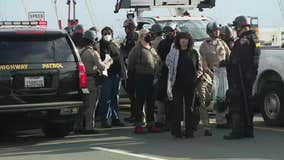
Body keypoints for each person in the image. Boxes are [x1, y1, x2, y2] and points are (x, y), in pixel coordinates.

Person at [223, 16, 260, 140]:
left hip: (240, 78)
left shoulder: (242, 41)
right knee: (247, 104)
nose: (235, 30)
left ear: (240, 27)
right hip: (250, 76)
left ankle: (236, 131)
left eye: (236, 27)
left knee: (237, 104)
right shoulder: (255, 39)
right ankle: (248, 130)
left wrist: (223, 63)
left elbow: (235, 60)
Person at [166, 32, 201, 139]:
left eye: (186, 39)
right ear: (178, 40)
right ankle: (176, 131)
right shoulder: (174, 53)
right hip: (177, 84)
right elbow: (168, 63)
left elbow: (199, 67)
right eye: (181, 39)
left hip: (191, 85)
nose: (183, 41)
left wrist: (197, 77)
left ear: (189, 40)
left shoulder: (194, 52)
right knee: (177, 108)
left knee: (190, 108)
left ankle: (189, 131)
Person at [198, 22, 230, 136]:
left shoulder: (222, 43)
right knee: (207, 99)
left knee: (222, 97)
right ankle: (203, 120)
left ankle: (221, 120)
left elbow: (229, 56)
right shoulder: (204, 45)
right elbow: (203, 61)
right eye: (215, 30)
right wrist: (210, 73)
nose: (217, 32)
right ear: (210, 32)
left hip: (223, 73)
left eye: (218, 30)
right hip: (210, 73)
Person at [78, 30, 113, 134]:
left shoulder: (81, 52)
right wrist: (109, 63)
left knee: (83, 105)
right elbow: (102, 67)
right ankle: (89, 127)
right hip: (92, 81)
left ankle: (78, 126)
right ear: (93, 41)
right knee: (91, 105)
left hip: (83, 81)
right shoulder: (93, 53)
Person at [128, 29, 162, 134]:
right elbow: (131, 65)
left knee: (151, 102)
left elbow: (158, 60)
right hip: (141, 78)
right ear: (141, 36)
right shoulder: (137, 49)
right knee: (140, 102)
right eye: (146, 34)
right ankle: (138, 124)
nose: (148, 36)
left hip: (153, 78)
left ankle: (151, 123)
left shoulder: (151, 48)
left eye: (149, 34)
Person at [97, 26, 127, 128]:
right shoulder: (99, 45)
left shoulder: (115, 44)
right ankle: (104, 119)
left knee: (115, 97)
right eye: (105, 33)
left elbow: (120, 60)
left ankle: (116, 118)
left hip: (116, 75)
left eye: (108, 33)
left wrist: (123, 74)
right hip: (107, 75)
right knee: (106, 98)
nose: (107, 35)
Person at [155, 24, 177, 130]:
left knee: (170, 99)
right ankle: (161, 121)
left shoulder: (177, 43)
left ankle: (168, 121)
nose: (172, 33)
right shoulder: (163, 44)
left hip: (173, 74)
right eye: (170, 32)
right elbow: (159, 59)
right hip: (165, 74)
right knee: (162, 98)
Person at [120, 18, 139, 123]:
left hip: (131, 69)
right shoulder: (134, 37)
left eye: (126, 28)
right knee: (132, 94)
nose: (125, 30)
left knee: (132, 94)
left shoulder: (131, 37)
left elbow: (127, 51)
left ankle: (135, 115)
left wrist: (122, 48)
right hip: (133, 69)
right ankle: (134, 114)